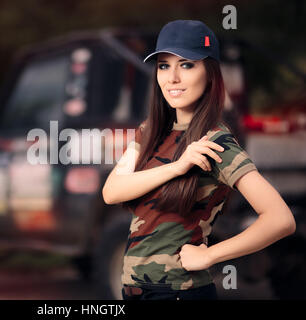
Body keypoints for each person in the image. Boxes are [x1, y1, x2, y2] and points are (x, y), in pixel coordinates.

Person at [102, 20, 296, 300]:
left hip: (180, 292)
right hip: (134, 290)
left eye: (187, 64)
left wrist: (210, 256)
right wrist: (177, 167)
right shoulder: (150, 130)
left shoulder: (215, 141)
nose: (173, 78)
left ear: (210, 74)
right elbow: (112, 191)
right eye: (164, 65)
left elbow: (281, 219)